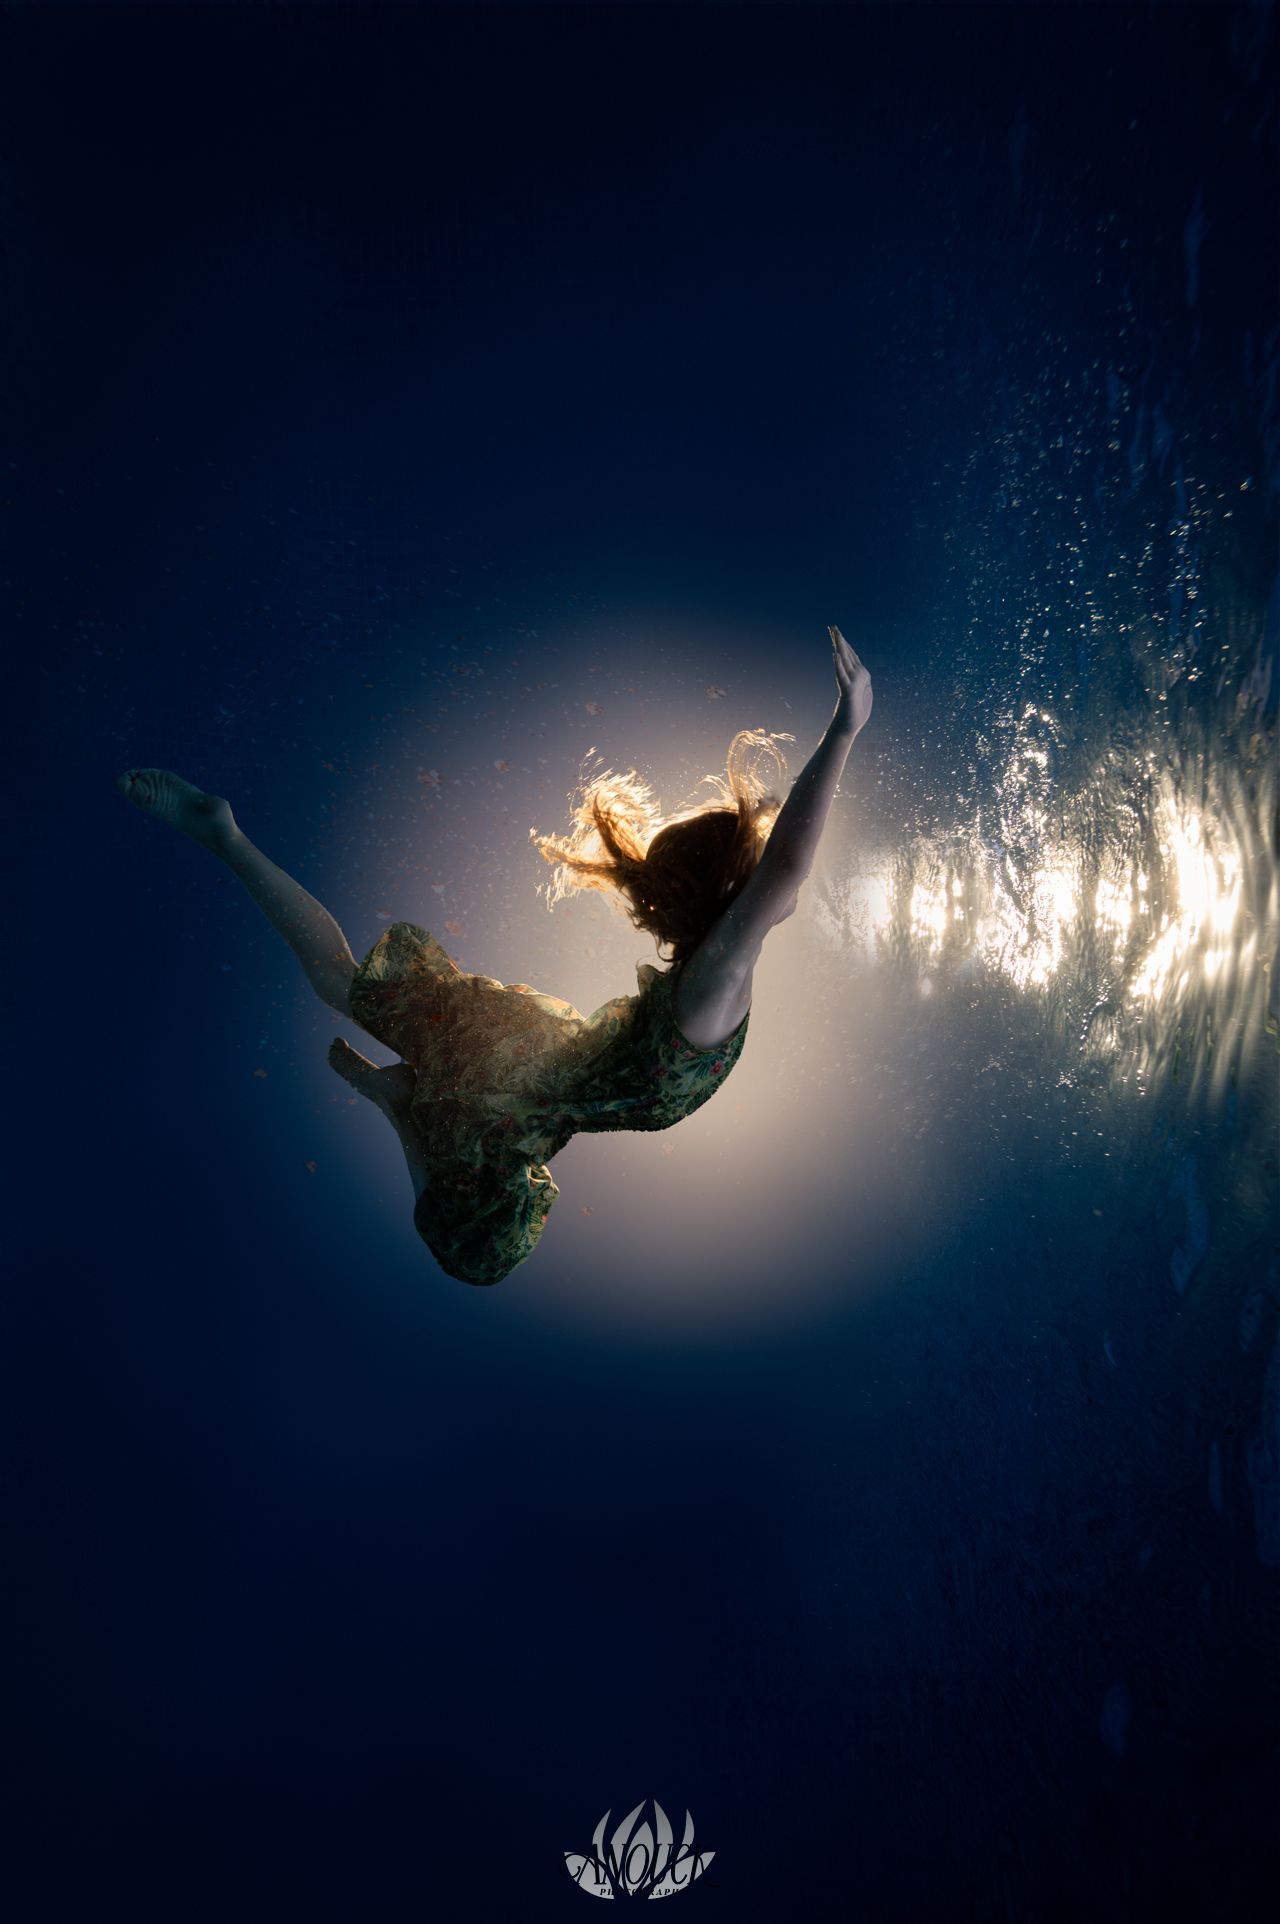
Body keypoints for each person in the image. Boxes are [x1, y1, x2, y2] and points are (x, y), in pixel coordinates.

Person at [116, 626, 873, 1285]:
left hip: (528, 1063)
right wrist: (843, 731)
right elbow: (783, 873)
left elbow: (775, 878)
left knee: (341, 985)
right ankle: (396, 1103)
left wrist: (845, 729)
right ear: (730, 898)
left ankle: (228, 840)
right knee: (474, 1251)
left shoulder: (704, 984)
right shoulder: (715, 984)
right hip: (527, 1083)